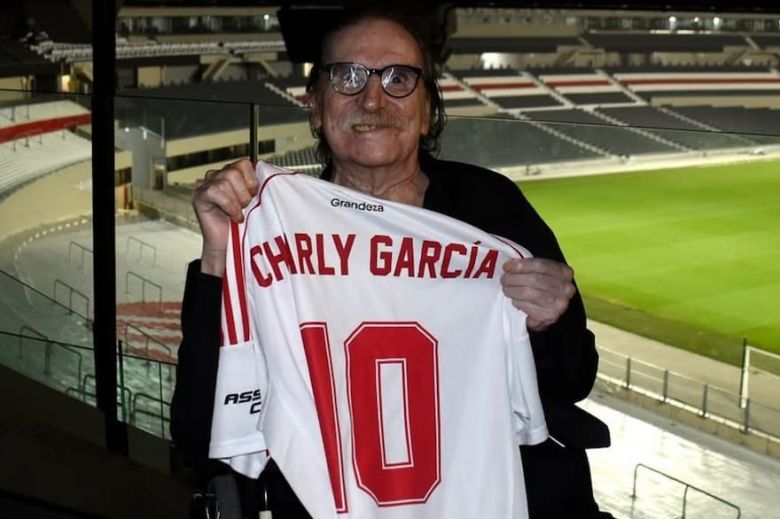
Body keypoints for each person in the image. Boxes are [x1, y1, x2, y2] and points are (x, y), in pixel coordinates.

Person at [172, 8, 612, 519]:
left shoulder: (492, 209)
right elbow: (200, 431)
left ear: (427, 112)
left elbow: (574, 378)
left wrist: (549, 321)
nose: (373, 98)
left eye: (399, 78)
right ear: (314, 106)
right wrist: (221, 256)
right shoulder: (268, 229)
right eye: (346, 76)